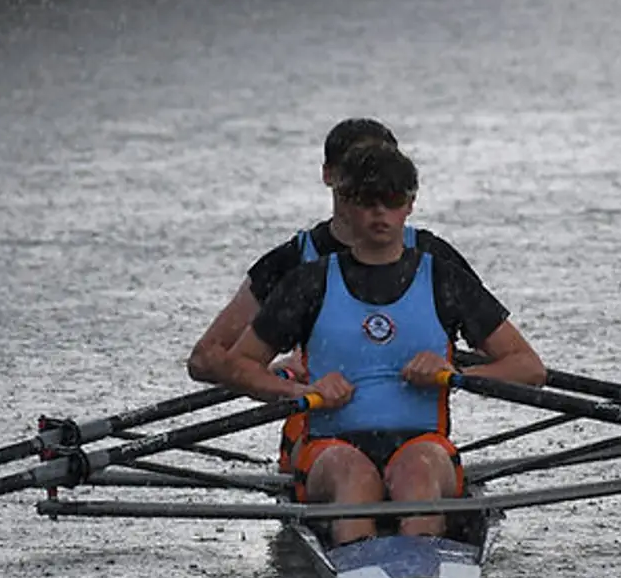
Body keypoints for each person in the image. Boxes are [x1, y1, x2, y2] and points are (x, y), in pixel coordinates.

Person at [215, 144, 546, 544]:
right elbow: (237, 365)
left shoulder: (445, 280)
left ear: (410, 205)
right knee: (353, 476)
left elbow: (528, 366)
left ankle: (418, 564)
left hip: (423, 446)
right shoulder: (308, 284)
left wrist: (454, 374)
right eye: (368, 201)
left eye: (392, 201)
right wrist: (300, 391)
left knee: (417, 473)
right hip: (329, 449)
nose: (380, 214)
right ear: (347, 205)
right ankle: (366, 556)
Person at [185, 117, 492, 464]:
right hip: (319, 430)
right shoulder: (292, 263)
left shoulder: (434, 260)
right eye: (361, 173)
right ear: (330, 176)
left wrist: (445, 367)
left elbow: (505, 357)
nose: (374, 183)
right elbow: (206, 359)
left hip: (414, 436)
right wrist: (283, 378)